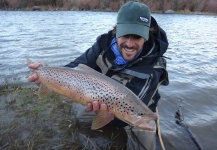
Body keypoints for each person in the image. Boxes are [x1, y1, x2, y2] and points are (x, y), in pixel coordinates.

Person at [28, 1, 169, 150]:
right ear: (117, 31)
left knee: (143, 137)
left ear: (146, 36)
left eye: (137, 37)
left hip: (140, 108)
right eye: (125, 35)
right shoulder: (103, 45)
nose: (129, 44)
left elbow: (126, 108)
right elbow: (75, 68)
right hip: (112, 102)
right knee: (82, 123)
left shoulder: (155, 66)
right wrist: (46, 73)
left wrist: (105, 113)